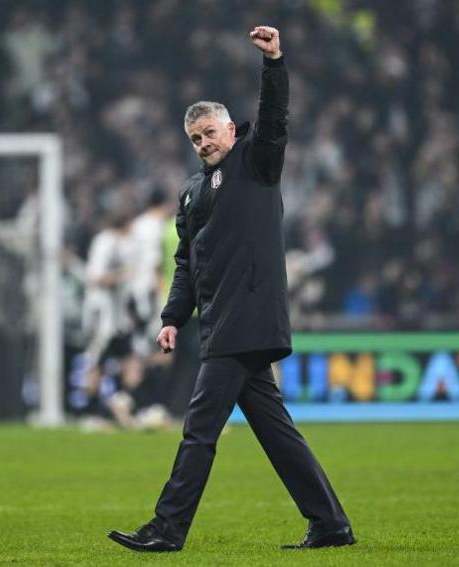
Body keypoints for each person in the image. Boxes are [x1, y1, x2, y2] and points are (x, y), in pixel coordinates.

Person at [107, 26, 354, 553]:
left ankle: (168, 529)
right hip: (222, 321)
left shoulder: (256, 162)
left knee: (198, 429)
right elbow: (185, 261)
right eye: (195, 139)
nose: (204, 144)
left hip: (247, 319)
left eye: (210, 133)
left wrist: (274, 64)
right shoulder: (192, 191)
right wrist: (172, 317)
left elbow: (274, 119)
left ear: (229, 129)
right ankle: (330, 523)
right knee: (276, 433)